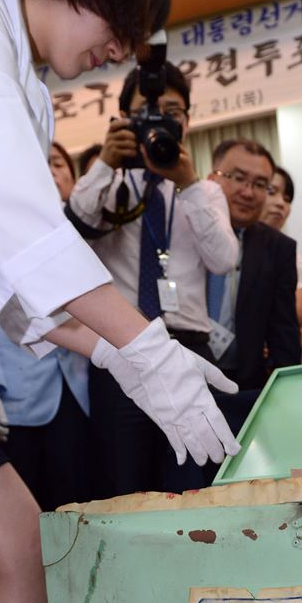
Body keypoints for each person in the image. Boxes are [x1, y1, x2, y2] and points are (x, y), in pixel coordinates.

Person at [0, 0, 238, 603]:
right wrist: (145, 346)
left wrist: (115, 351)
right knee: (14, 538)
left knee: (18, 541)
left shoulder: (24, 79)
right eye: (118, 31)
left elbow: (16, 285)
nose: (118, 54)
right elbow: (16, 218)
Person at [68, 60, 238, 496]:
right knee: (127, 487)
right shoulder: (109, 183)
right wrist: (106, 163)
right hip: (123, 353)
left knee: (200, 484)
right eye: (148, 110)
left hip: (190, 350)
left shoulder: (206, 191)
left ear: (187, 120)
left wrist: (188, 184)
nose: (161, 119)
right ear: (124, 118)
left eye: (173, 111)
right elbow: (70, 234)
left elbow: (223, 259)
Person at [0, 142, 92, 511]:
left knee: (77, 503)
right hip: (15, 392)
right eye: (38, 162)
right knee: (27, 511)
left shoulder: (80, 232)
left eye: (57, 162)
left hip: (75, 387)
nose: (48, 170)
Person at [208, 139, 302, 394]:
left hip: (245, 388)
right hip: (180, 383)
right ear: (212, 179)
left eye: (261, 185)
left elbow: (284, 334)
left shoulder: (279, 248)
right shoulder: (183, 230)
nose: (248, 192)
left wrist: (289, 392)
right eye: (238, 178)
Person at [260, 165, 302, 324]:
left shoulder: (293, 257)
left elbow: (295, 315)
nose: (281, 203)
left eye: (287, 199)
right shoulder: (227, 243)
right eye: (271, 192)